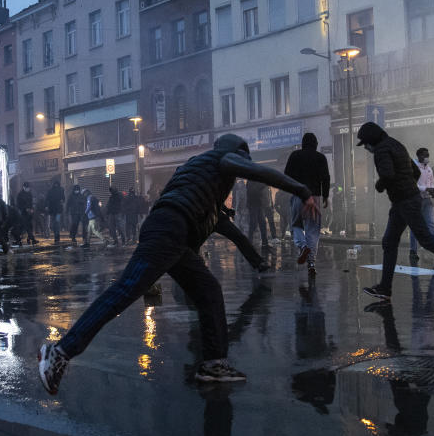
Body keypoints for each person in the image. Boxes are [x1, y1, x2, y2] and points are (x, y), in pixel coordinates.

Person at [38, 134, 317, 393]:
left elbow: (194, 210)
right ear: (235, 154)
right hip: (170, 229)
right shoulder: (223, 158)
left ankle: (214, 363)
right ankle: (61, 351)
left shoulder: (194, 168)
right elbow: (254, 173)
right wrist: (301, 189)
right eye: (243, 161)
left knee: (208, 291)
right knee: (125, 291)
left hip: (175, 233)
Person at [356, 122, 434, 302]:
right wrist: (406, 186)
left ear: (372, 138)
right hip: (404, 200)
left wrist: (379, 185)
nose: (366, 147)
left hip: (404, 201)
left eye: (366, 143)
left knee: (426, 239)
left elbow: (388, 175)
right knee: (389, 241)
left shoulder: (381, 150)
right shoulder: (397, 144)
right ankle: (384, 289)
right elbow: (415, 172)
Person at [283, 132, 330, 276]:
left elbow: (286, 175)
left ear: (302, 143)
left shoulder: (294, 156)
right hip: (314, 197)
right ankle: (311, 263)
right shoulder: (321, 158)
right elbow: (326, 178)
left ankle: (302, 246)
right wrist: (325, 196)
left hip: (298, 196)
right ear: (315, 144)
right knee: (313, 231)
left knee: (296, 225)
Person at [407, 147, 434, 264]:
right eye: (425, 155)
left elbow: (431, 183)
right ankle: (413, 251)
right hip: (416, 200)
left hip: (427, 200)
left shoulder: (429, 169)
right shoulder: (413, 167)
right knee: (414, 226)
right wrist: (427, 188)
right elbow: (413, 185)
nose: (427, 158)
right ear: (419, 156)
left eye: (428, 155)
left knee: (431, 226)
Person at [245, 180, 271, 248]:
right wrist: (262, 185)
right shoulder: (250, 181)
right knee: (253, 224)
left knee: (263, 224)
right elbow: (253, 191)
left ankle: (265, 243)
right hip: (253, 205)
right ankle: (249, 243)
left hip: (259, 205)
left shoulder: (257, 181)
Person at [46, 179, 66, 244]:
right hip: (57, 211)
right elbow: (63, 199)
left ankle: (56, 236)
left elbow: (47, 199)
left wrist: (47, 207)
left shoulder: (50, 191)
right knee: (56, 223)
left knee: (55, 223)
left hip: (53, 211)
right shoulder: (61, 190)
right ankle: (57, 236)